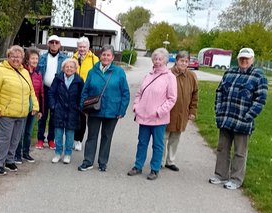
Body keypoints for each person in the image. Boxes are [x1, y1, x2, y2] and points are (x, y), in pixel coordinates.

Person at [208, 48, 268, 189]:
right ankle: (220, 175)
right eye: (242, 58)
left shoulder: (258, 76)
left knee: (240, 152)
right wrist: (219, 110)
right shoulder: (230, 72)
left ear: (252, 59)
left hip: (243, 122)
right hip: (226, 119)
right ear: (238, 58)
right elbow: (219, 92)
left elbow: (261, 99)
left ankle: (236, 179)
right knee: (222, 149)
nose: (244, 61)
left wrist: (248, 117)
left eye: (247, 58)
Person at [0, 45, 39, 175]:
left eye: (19, 57)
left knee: (15, 139)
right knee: (4, 139)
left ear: (23, 58)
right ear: (8, 57)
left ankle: (10, 161)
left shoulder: (25, 72)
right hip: (6, 112)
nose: (16, 59)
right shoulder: (0, 70)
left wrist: (35, 106)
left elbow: (31, 91)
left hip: (21, 113)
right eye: (13, 56)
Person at [78, 45, 130, 172]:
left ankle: (102, 162)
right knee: (91, 136)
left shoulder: (119, 72)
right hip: (94, 109)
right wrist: (83, 107)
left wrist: (121, 110)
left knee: (107, 137)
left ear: (112, 57)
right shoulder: (92, 71)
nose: (106, 57)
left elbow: (125, 93)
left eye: (108, 55)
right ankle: (88, 161)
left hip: (112, 110)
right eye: (104, 55)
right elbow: (85, 91)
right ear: (100, 56)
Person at [127, 48, 177, 180]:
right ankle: (138, 166)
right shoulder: (148, 75)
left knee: (158, 144)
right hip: (143, 116)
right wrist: (136, 106)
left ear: (166, 60)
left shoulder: (170, 77)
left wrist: (159, 111)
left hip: (158, 118)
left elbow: (172, 98)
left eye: (160, 59)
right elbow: (139, 93)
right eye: (155, 59)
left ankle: (155, 169)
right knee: (142, 143)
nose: (157, 61)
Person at [162, 51, 199, 172]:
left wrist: (192, 111)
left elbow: (195, 95)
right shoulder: (167, 74)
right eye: (181, 60)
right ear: (176, 61)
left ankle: (170, 161)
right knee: (163, 137)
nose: (184, 63)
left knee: (175, 137)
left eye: (186, 61)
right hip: (167, 112)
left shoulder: (191, 76)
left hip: (182, 113)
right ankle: (160, 161)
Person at [48, 59, 84, 164]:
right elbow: (51, 93)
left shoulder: (79, 80)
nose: (69, 69)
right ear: (63, 68)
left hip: (73, 111)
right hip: (59, 110)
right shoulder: (58, 79)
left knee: (70, 135)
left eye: (71, 67)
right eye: (66, 67)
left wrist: (79, 107)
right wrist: (53, 105)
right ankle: (58, 153)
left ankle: (68, 154)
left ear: (75, 69)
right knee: (58, 134)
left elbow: (83, 95)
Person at [36, 35, 68, 150]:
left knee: (54, 116)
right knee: (42, 115)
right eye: (52, 42)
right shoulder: (42, 58)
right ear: (48, 44)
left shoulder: (64, 58)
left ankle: (51, 140)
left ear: (59, 44)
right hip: (44, 89)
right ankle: (40, 139)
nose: (54, 44)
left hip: (57, 90)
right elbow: (37, 72)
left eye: (56, 42)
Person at [14, 47, 44, 164]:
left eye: (36, 58)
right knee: (19, 132)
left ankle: (26, 153)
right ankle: (17, 154)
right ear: (27, 59)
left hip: (34, 107)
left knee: (28, 131)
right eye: (32, 58)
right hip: (23, 105)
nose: (35, 61)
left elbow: (41, 93)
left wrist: (40, 109)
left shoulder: (38, 73)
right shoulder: (22, 71)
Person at [72, 36, 99, 151]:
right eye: (80, 47)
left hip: (87, 92)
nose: (82, 49)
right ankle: (72, 138)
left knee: (83, 117)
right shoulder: (73, 58)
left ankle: (79, 140)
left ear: (88, 47)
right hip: (74, 90)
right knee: (73, 117)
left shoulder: (95, 59)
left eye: (84, 47)